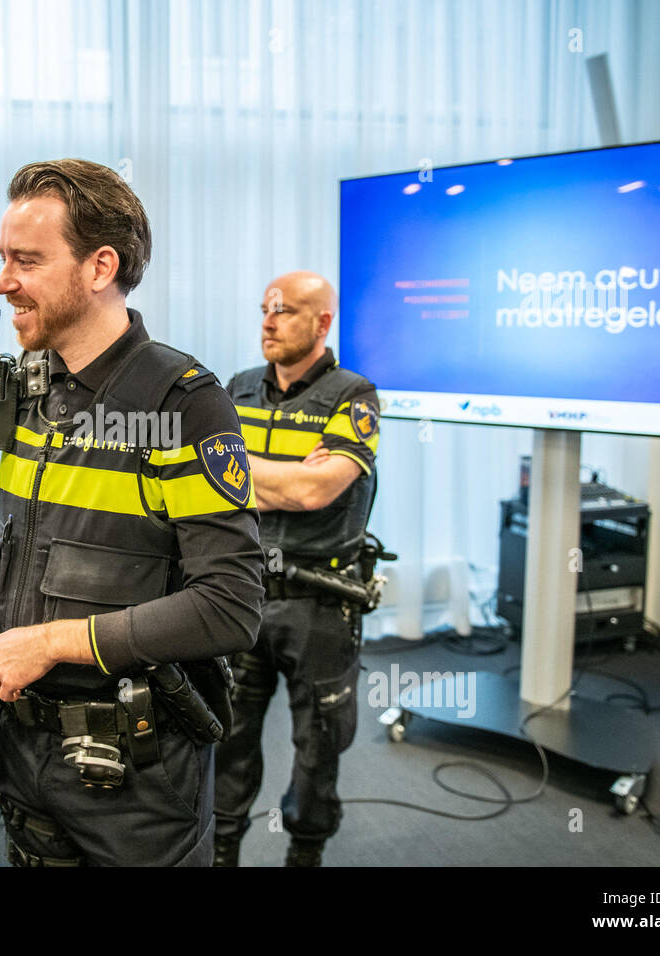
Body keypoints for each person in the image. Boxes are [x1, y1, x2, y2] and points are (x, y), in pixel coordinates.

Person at [0, 158, 264, 867]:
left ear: (100, 266)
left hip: (133, 773)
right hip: (23, 750)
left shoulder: (182, 402)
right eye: (3, 259)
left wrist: (48, 643)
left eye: (26, 261)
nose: (4, 281)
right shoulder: (29, 389)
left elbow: (231, 606)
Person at [212, 270, 380, 867]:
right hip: (241, 592)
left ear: (322, 322)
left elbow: (315, 492)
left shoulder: (353, 395)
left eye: (283, 311)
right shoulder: (236, 388)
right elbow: (202, 480)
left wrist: (245, 471)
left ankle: (305, 852)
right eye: (264, 309)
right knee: (226, 733)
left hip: (318, 601)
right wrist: (287, 475)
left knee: (319, 742)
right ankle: (223, 846)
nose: (267, 321)